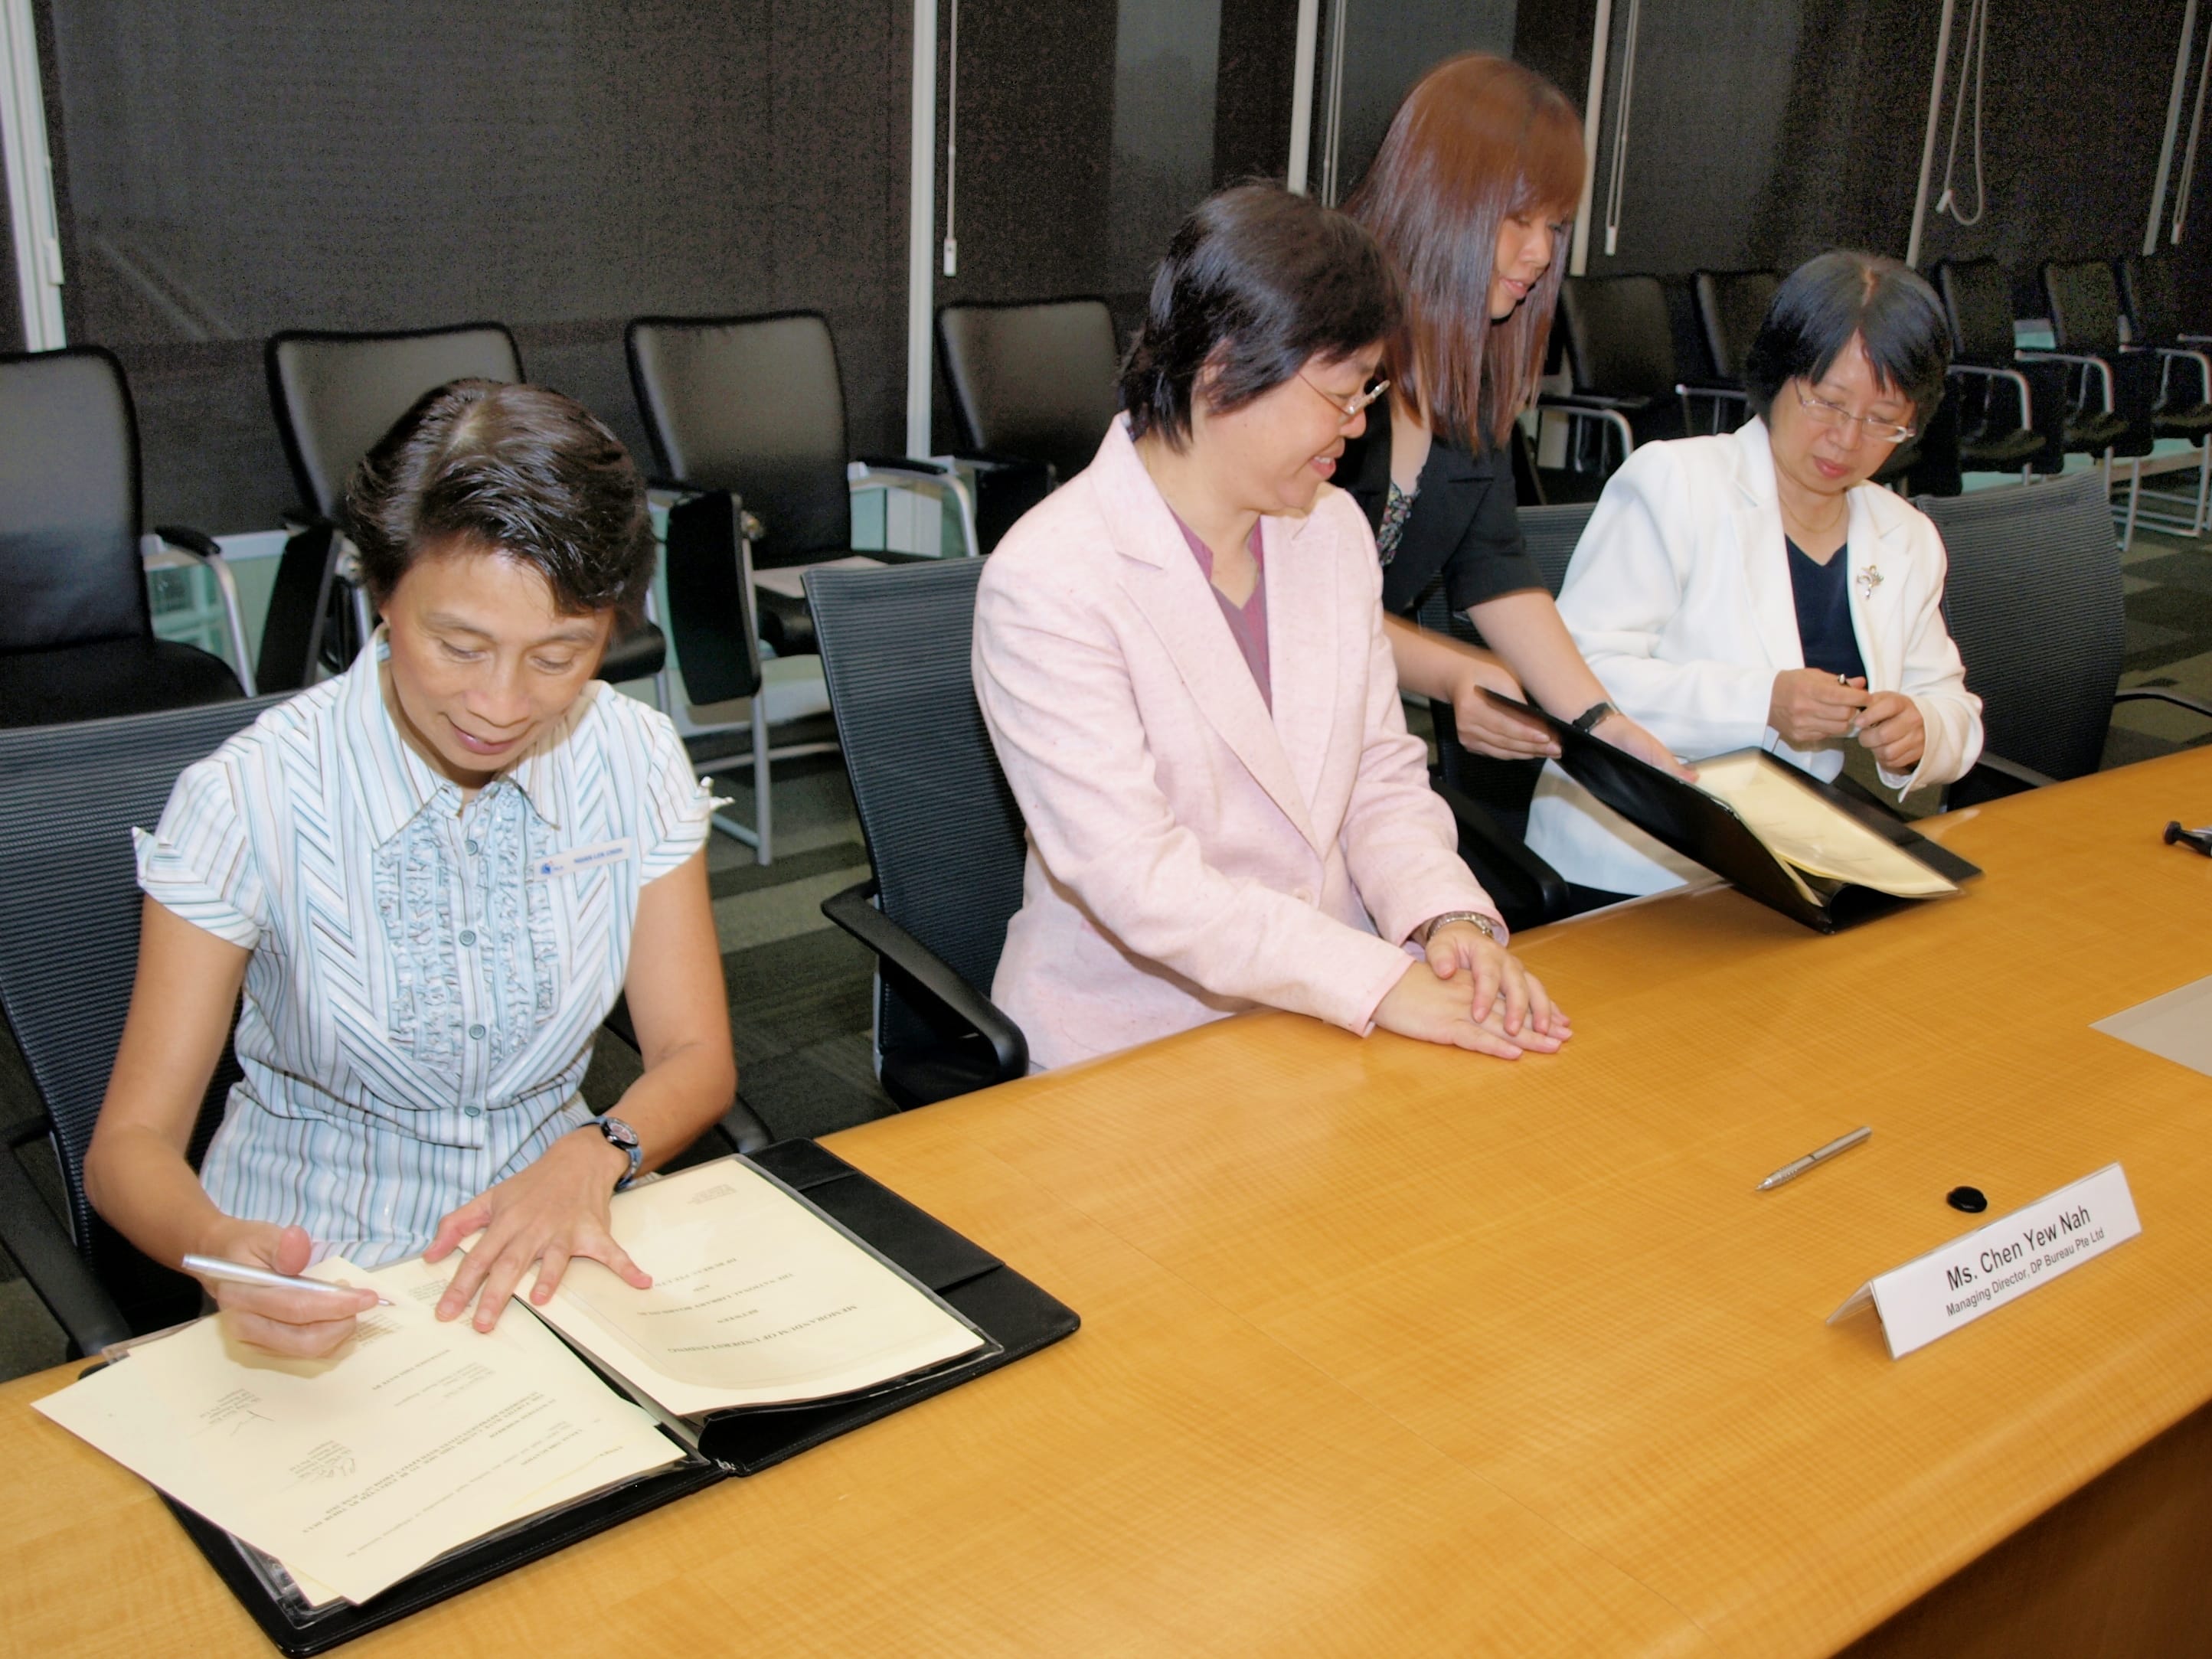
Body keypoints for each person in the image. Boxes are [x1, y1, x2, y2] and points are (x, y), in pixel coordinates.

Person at [84, 380, 737, 1357]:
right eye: (459, 645)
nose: (501, 704)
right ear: (382, 594)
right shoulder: (251, 797)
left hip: (559, 1233)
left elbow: (696, 1055)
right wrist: (219, 1247)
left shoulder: (632, 757)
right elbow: (128, 1149)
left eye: (560, 655)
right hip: (327, 1270)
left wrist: (595, 1151)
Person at [972, 184, 1568, 1071]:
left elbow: (1377, 772)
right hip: (1142, 1039)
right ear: (1221, 370)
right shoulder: (1050, 580)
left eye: (1367, 389)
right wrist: (1377, 980)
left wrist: (1444, 915)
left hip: (1331, 1011)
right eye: (1338, 393)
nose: (1358, 424)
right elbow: (1143, 883)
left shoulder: (1327, 531)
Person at [1524, 250, 1985, 896]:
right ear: (1778, 376)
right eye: (1826, 402)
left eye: (1883, 420)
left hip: (1793, 861)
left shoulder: (1904, 535)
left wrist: (1919, 731)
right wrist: (1760, 702)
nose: (1846, 440)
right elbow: (1580, 676)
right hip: (1639, 858)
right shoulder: (1675, 483)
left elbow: (1953, 709)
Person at [1338, 53, 1681, 776]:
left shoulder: (1467, 364)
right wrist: (1452, 671)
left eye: (1554, 226)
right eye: (1516, 219)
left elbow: (1491, 561)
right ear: (1437, 199)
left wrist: (1597, 720)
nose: (1538, 254)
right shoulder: (1318, 343)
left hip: (1339, 727)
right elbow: (1283, 597)